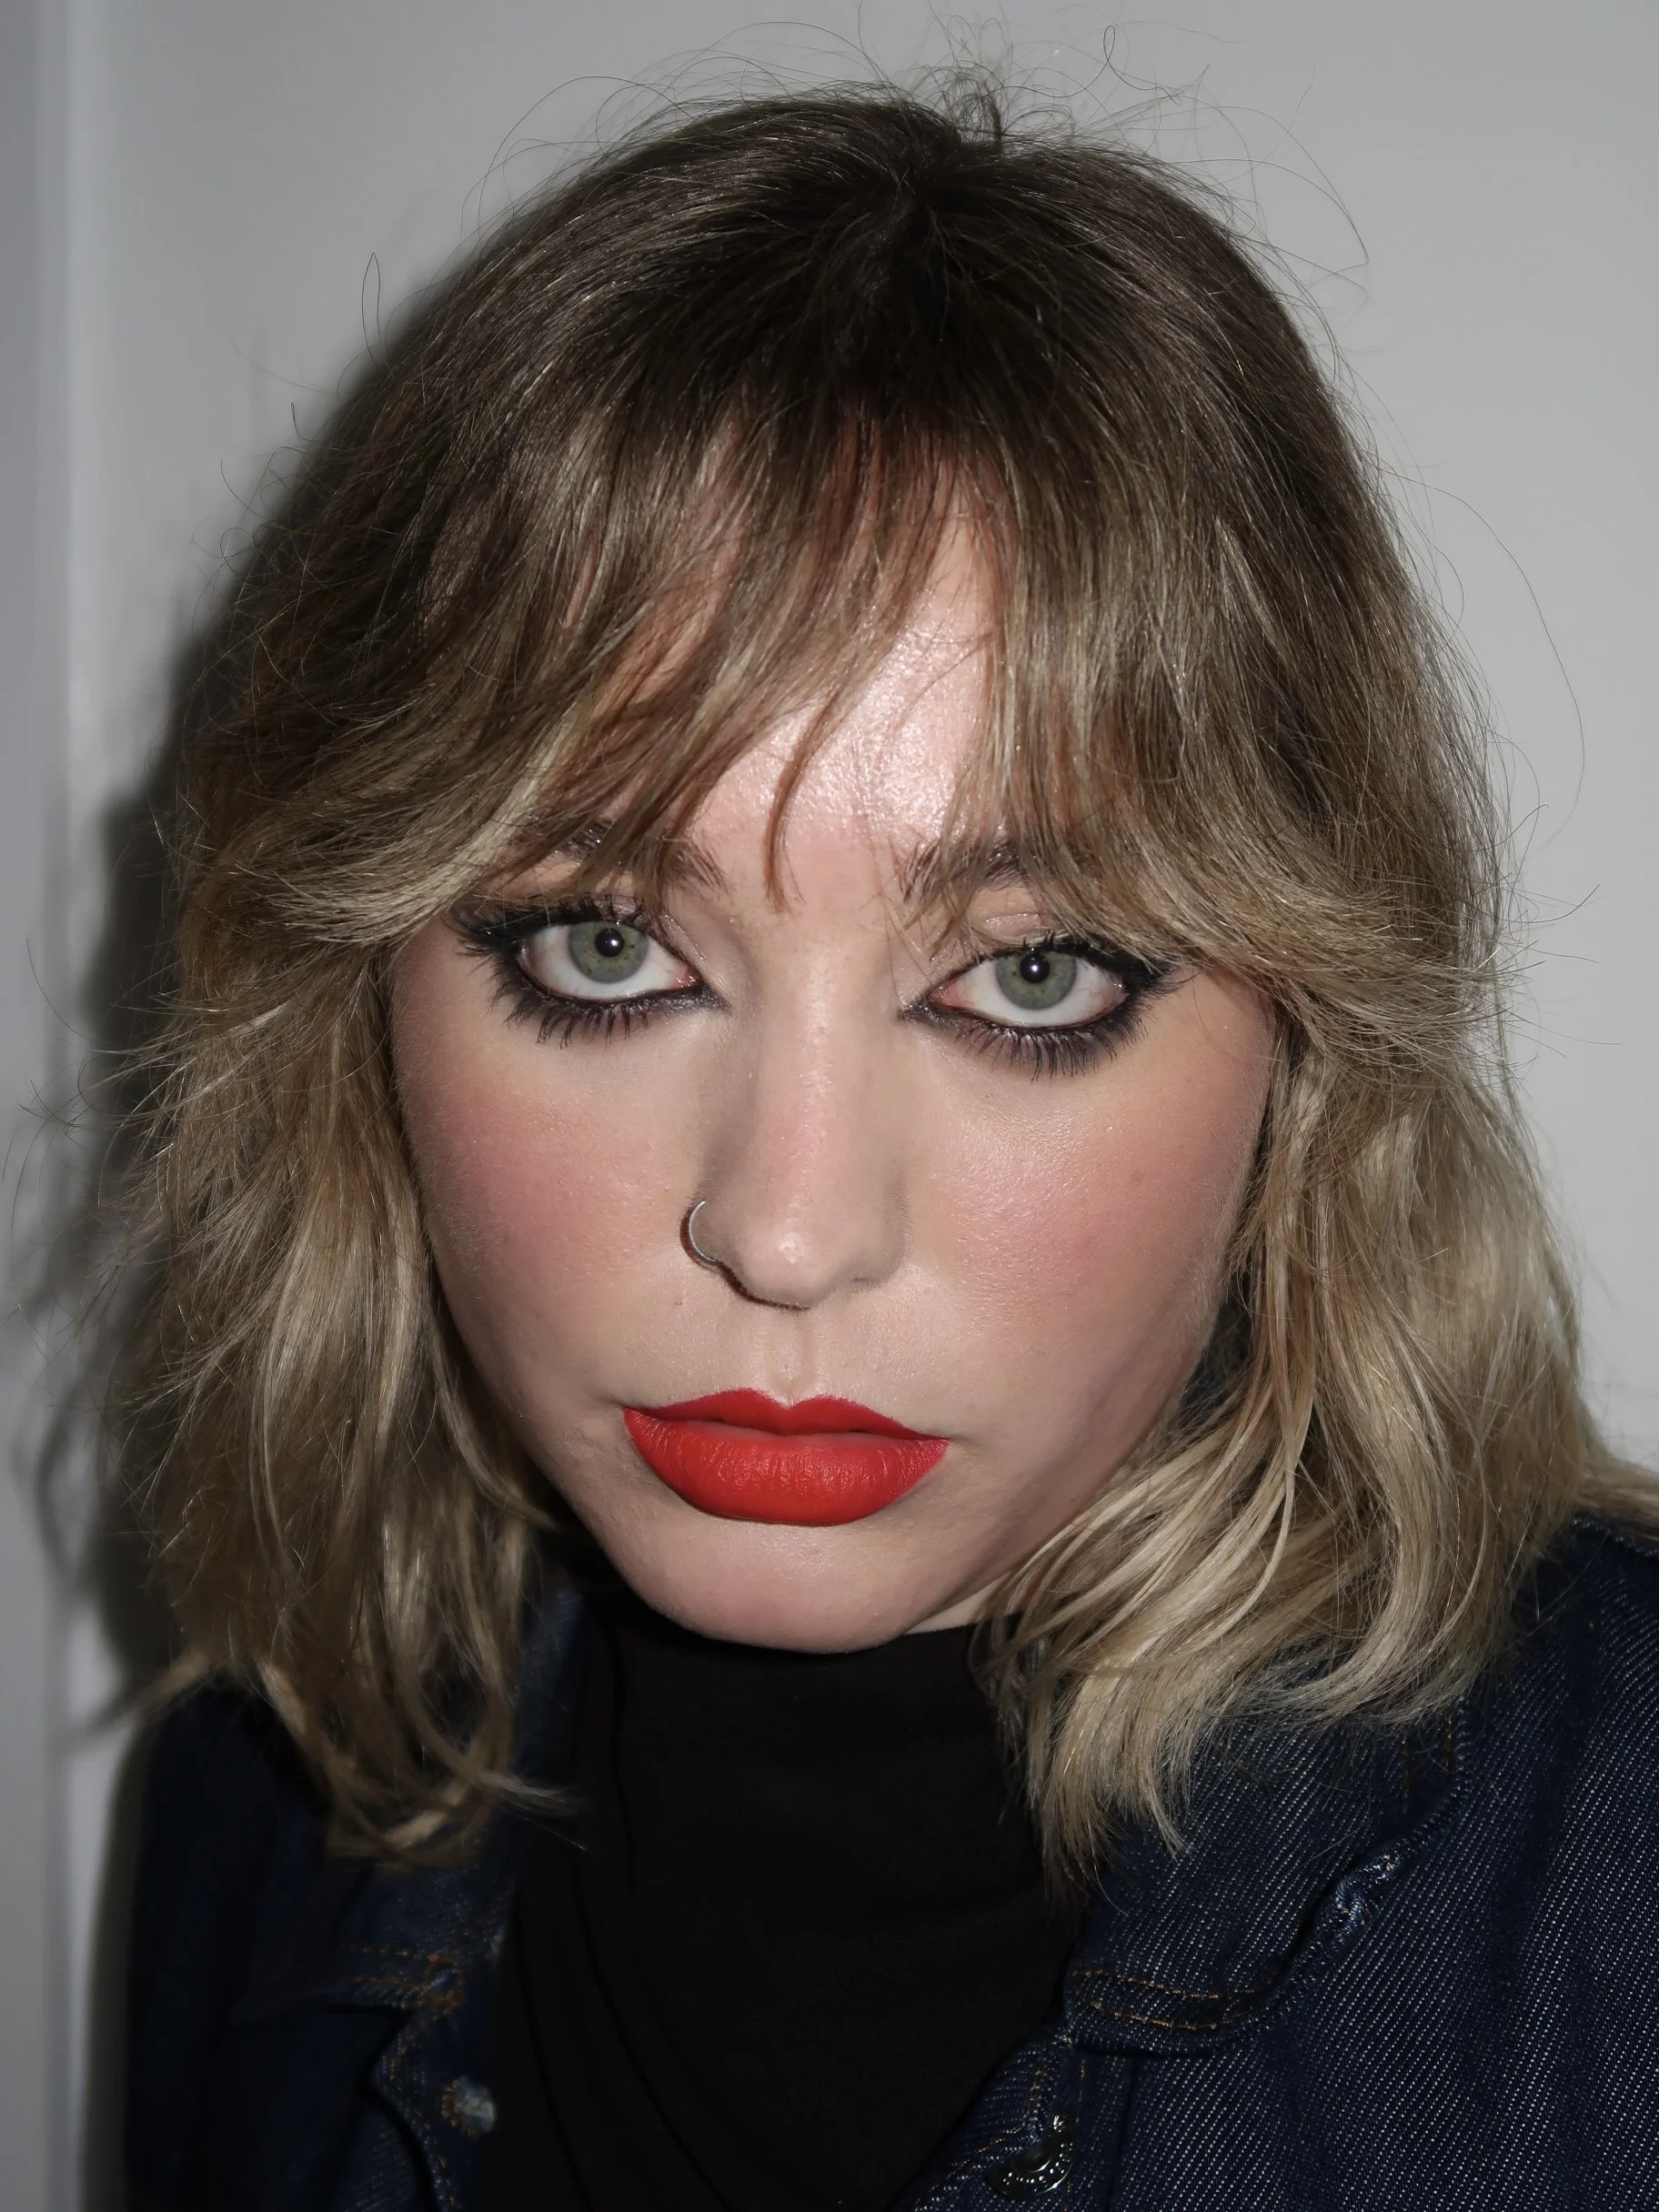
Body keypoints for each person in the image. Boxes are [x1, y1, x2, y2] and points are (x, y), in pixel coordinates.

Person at [122, 77, 1659, 2212]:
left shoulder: (1618, 1895)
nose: (784, 1228)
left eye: (1029, 978)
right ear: (355, 1000)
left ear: (1310, 1044)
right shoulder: (261, 1824)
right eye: (606, 945)